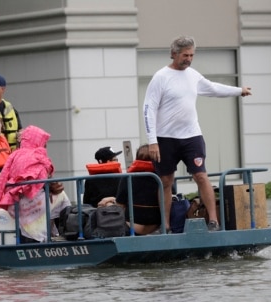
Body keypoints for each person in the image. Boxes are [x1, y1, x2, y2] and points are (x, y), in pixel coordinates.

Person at [143, 35, 252, 231]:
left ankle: (213, 220)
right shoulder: (160, 77)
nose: (189, 59)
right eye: (185, 55)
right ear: (174, 54)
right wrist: (152, 141)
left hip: (191, 136)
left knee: (201, 175)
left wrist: (238, 90)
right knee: (166, 181)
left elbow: (212, 88)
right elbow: (148, 109)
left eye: (192, 55)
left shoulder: (193, 75)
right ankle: (165, 225)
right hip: (165, 138)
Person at [0, 125, 65, 242]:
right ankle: (57, 234)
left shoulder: (14, 154)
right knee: (62, 198)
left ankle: (47, 235)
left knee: (55, 198)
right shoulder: (40, 155)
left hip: (15, 201)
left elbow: (1, 180)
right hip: (33, 200)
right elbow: (44, 178)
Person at [100, 144, 160, 235]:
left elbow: (119, 207)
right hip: (156, 226)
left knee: (103, 205)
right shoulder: (162, 178)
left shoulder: (128, 178)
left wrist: (109, 201)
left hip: (132, 227)